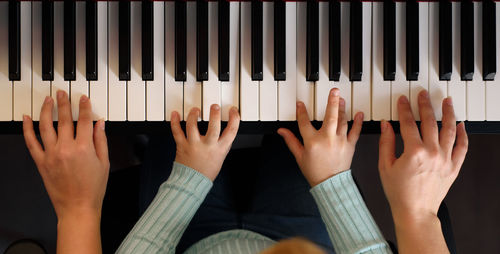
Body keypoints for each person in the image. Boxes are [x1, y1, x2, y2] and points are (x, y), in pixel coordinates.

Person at [21, 88, 467, 254]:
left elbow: (82, 213)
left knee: (174, 121)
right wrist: (418, 214)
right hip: (303, 230)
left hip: (184, 238)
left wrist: (78, 206)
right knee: (301, 124)